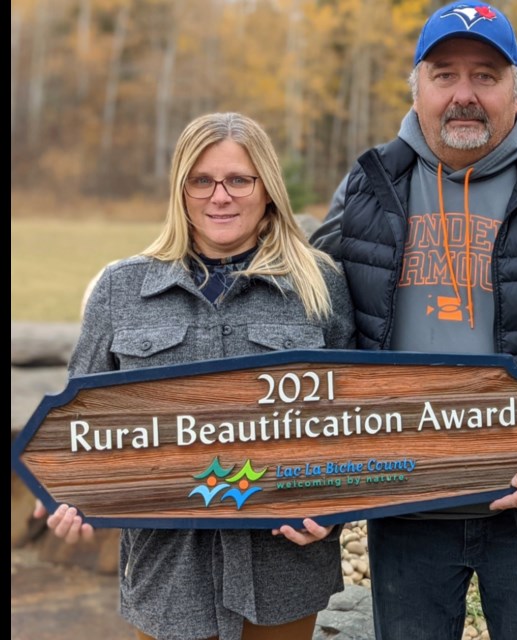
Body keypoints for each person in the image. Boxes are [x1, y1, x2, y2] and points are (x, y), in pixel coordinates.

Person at [310, 2, 517, 638]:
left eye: (486, 76)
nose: (464, 95)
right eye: (444, 75)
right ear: (416, 87)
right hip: (407, 505)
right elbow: (317, 327)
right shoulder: (368, 186)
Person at [34, 111, 357, 640]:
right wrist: (69, 492)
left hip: (281, 571)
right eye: (201, 181)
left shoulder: (319, 284)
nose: (219, 197)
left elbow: (359, 418)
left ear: (268, 189)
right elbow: (76, 425)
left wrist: (335, 507)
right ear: (180, 191)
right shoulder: (121, 289)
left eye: (238, 180)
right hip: (168, 572)